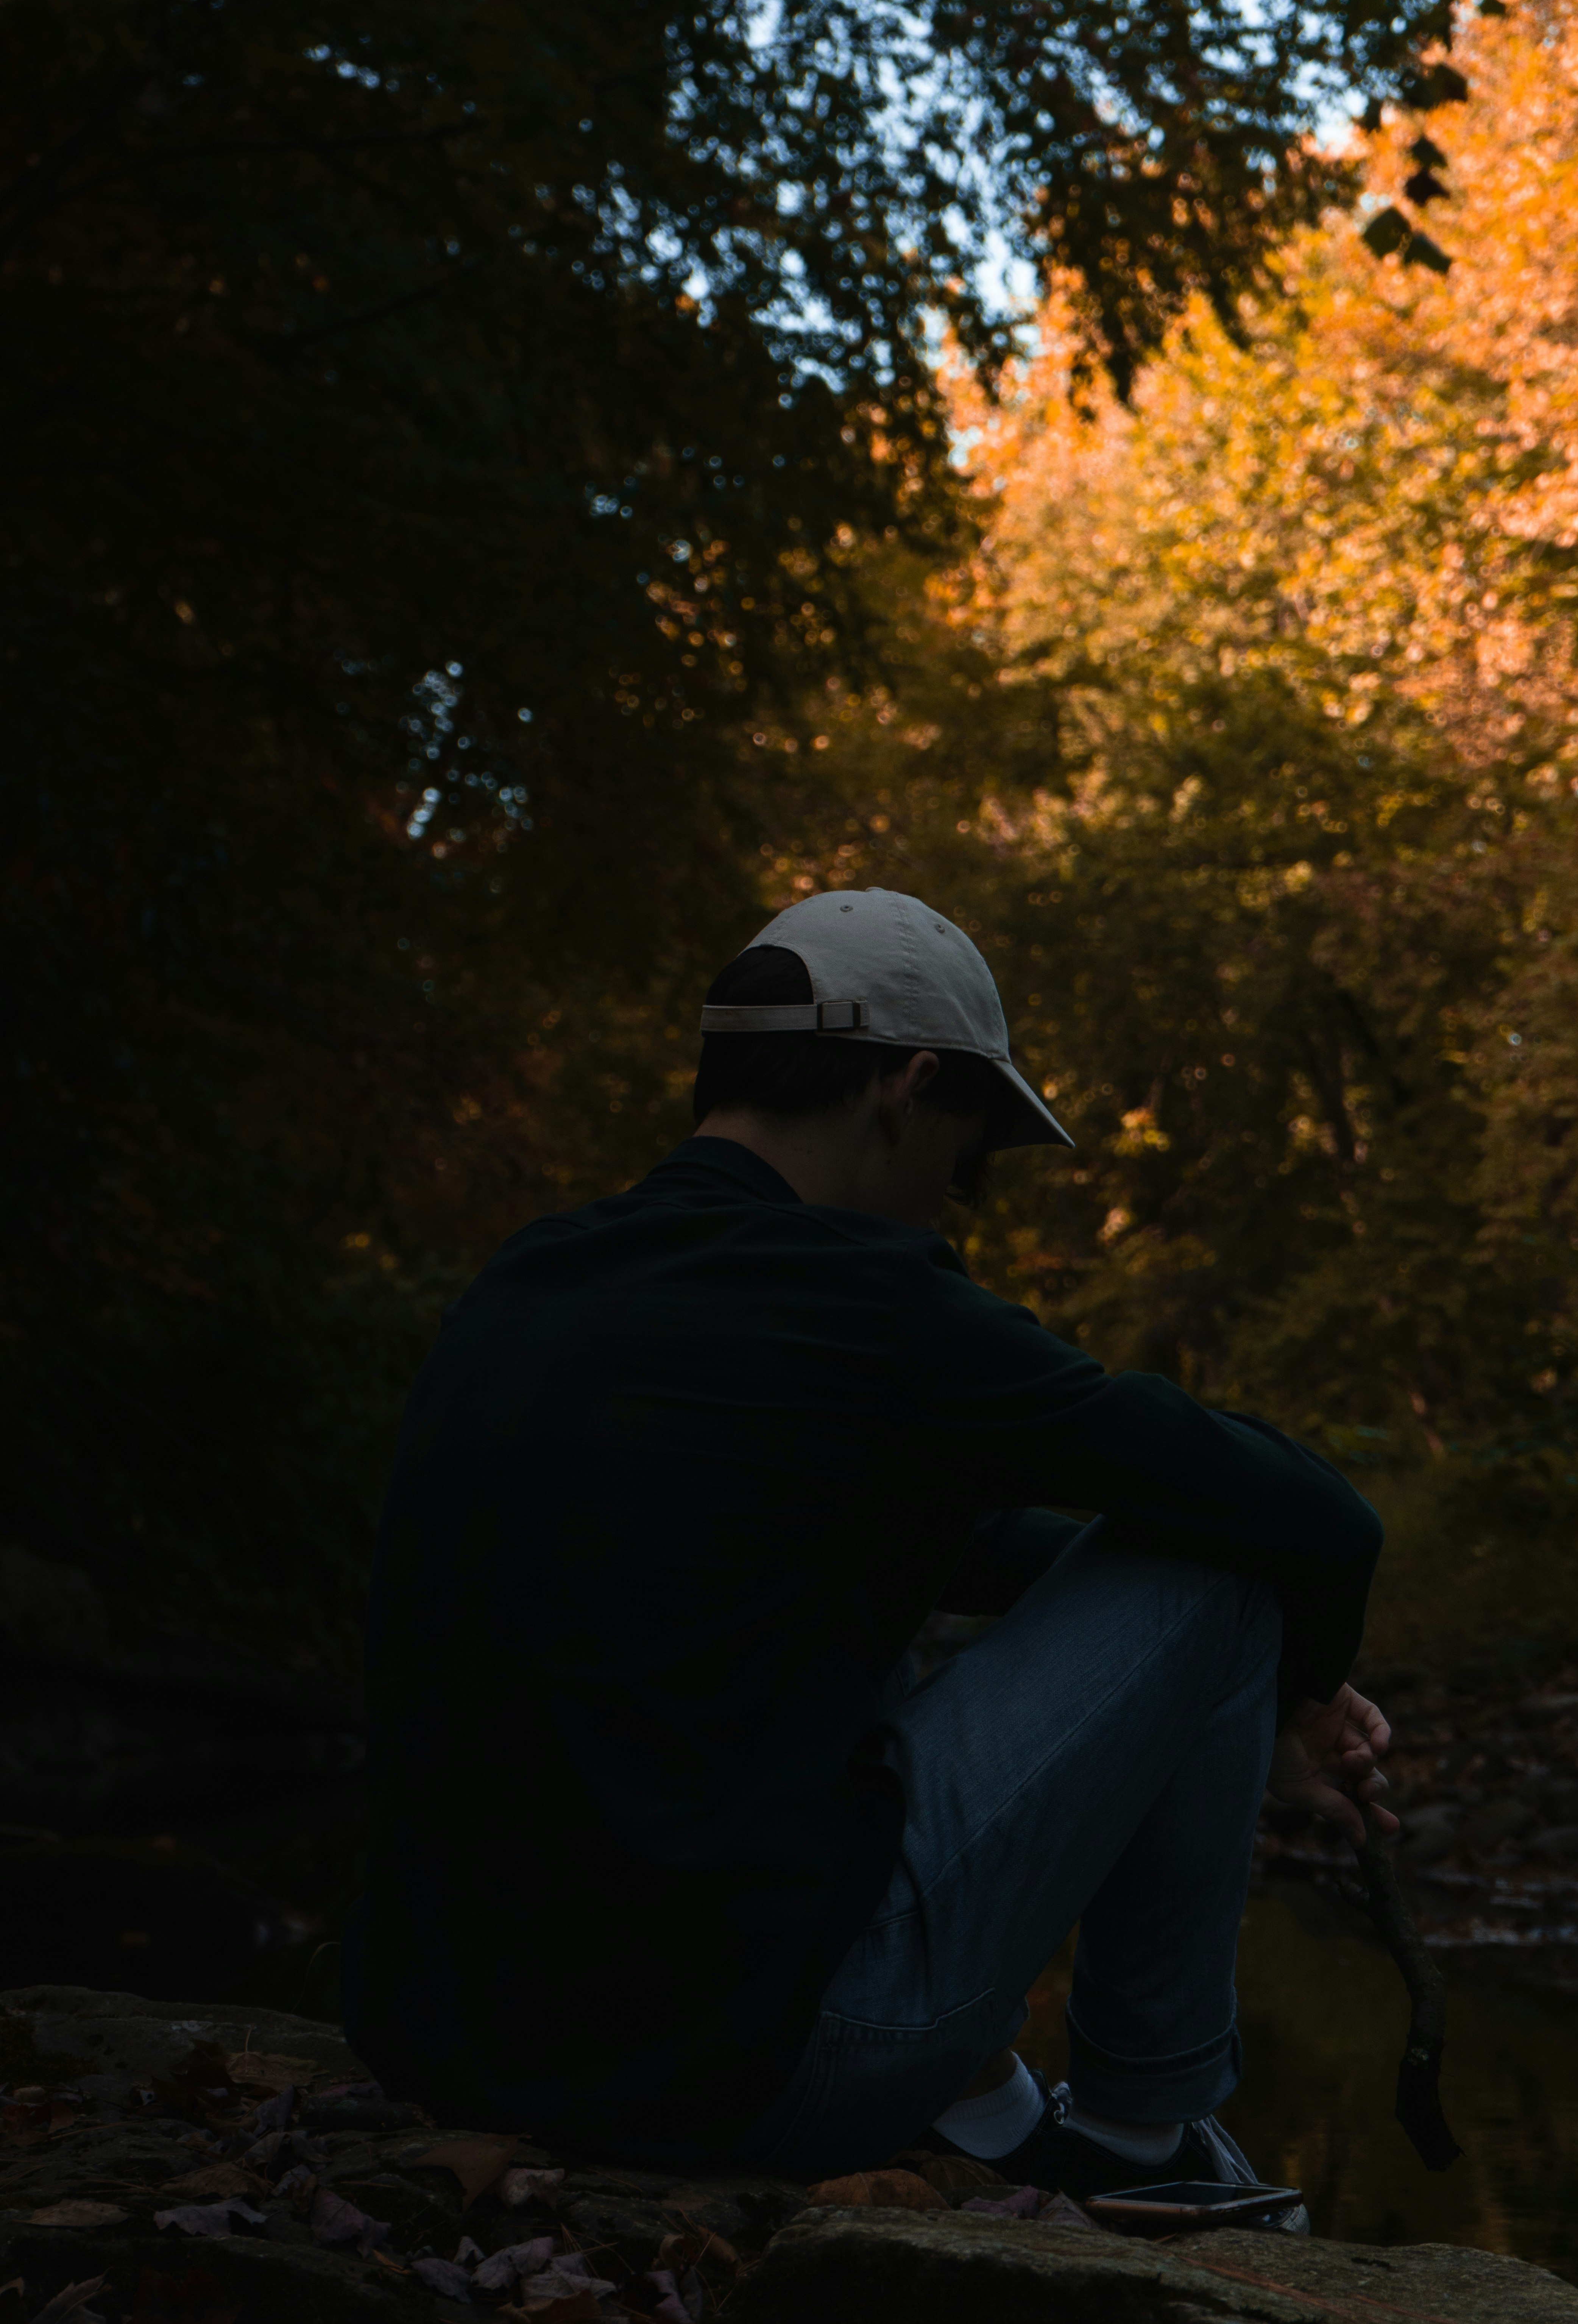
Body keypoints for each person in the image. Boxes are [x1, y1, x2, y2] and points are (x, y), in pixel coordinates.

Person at [346, 886, 1395, 2202]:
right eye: (968, 1154)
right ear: (904, 1087)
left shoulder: (529, 1283)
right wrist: (1292, 1694)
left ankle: (993, 2114)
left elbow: (934, 1540)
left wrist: (1188, 1680)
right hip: (749, 2080)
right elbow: (1311, 1516)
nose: (959, 1200)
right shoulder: (873, 1303)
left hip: (453, 2052)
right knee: (1218, 1568)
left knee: (822, 1623)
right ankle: (1146, 2138)